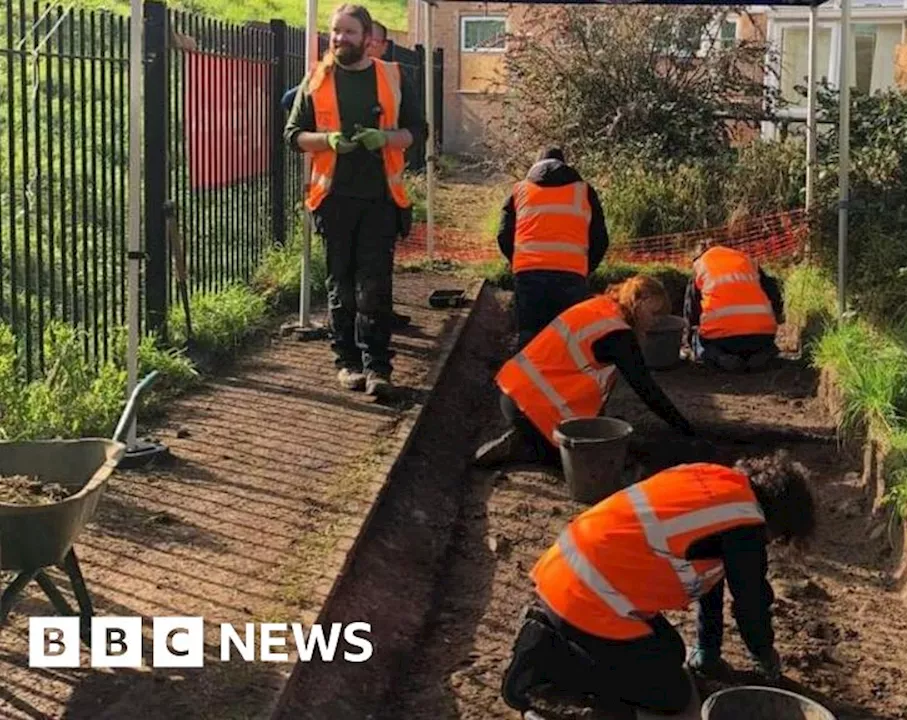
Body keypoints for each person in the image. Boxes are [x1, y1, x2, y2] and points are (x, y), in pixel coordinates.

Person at [498, 451, 818, 717]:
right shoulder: (746, 526)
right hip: (589, 595)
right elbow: (751, 605)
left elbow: (712, 579)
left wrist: (708, 650)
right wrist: (765, 657)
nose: (771, 543)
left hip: (568, 573)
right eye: (778, 539)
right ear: (780, 520)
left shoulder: (716, 483)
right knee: (671, 695)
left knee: (671, 651)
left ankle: (555, 631)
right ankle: (549, 663)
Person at [284, 3, 425, 398]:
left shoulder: (393, 76)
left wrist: (386, 139)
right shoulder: (316, 77)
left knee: (374, 286)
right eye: (334, 31)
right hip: (333, 199)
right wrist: (326, 140)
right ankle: (346, 362)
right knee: (341, 286)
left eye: (348, 32)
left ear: (367, 38)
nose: (339, 38)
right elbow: (293, 135)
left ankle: (378, 367)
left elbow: (418, 129)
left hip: (381, 198)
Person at [473, 275, 693, 468]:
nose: (654, 322)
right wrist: (685, 428)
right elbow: (647, 389)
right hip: (533, 409)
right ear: (640, 302)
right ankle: (524, 448)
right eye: (654, 314)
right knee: (589, 462)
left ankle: (527, 437)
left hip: (514, 395)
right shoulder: (619, 336)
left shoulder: (601, 307)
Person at [496, 147, 610, 347]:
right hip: (571, 277)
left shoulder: (520, 190)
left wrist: (517, 261)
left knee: (530, 338)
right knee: (568, 342)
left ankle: (527, 377)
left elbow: (503, 235)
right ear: (565, 165)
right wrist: (586, 268)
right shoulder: (584, 191)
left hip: (529, 276)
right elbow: (600, 239)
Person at [684, 243, 784, 373]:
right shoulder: (747, 260)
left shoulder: (700, 265)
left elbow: (691, 309)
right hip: (761, 336)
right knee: (764, 345)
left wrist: (690, 337)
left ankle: (720, 358)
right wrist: (775, 320)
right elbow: (772, 291)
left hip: (721, 341)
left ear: (698, 256)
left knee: (699, 341)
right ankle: (765, 353)